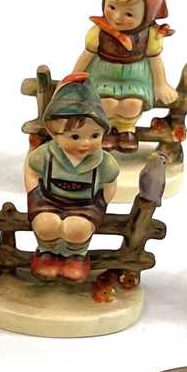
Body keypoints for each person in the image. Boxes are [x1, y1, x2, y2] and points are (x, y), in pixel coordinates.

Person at [23, 74, 120, 282]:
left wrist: (101, 202)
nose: (85, 143)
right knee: (45, 224)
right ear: (54, 133)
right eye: (75, 136)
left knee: (77, 228)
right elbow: (31, 170)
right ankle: (47, 253)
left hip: (85, 205)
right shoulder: (46, 155)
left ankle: (76, 256)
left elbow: (110, 183)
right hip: (48, 200)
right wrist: (33, 193)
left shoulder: (103, 162)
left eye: (95, 136)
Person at [71, 0, 178, 152]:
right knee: (106, 103)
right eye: (112, 7)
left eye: (129, 14)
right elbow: (86, 56)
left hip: (136, 78)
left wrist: (161, 84)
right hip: (103, 75)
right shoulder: (98, 32)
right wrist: (74, 77)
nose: (117, 17)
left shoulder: (149, 36)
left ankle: (127, 130)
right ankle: (107, 128)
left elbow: (155, 60)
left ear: (148, 14)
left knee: (132, 104)